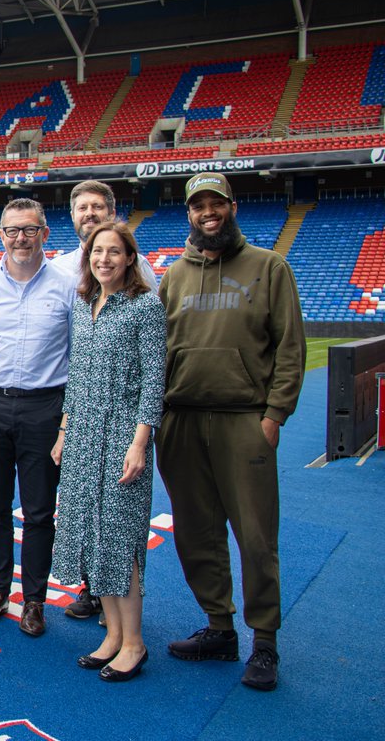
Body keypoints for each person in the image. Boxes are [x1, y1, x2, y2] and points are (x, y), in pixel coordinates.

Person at [156, 172, 305, 692]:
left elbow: (289, 348)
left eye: (215, 204)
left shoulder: (269, 267)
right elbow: (158, 351)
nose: (207, 213)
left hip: (244, 419)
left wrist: (274, 415)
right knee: (196, 532)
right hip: (182, 419)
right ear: (189, 215)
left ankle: (264, 639)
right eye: (198, 206)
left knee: (256, 536)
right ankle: (219, 627)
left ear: (232, 207)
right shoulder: (174, 274)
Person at [49, 221, 166, 683]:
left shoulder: (145, 307)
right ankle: (114, 636)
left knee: (120, 540)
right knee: (94, 539)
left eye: (114, 252)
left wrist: (140, 443)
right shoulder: (83, 305)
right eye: (97, 251)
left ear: (130, 258)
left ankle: (134, 642)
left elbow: (155, 381)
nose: (104, 259)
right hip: (81, 436)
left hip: (122, 436)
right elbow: (76, 375)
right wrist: (63, 430)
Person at [0, 197, 75, 638]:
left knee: (41, 510)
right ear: (1, 234)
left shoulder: (67, 285)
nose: (19, 239)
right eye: (11, 231)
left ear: (44, 233)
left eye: (29, 230)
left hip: (45, 406)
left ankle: (35, 601)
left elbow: (76, 352)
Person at [50, 180, 156, 290]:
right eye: (82, 208)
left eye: (97, 207)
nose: (89, 213)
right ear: (72, 216)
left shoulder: (137, 265)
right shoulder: (56, 268)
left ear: (112, 215)